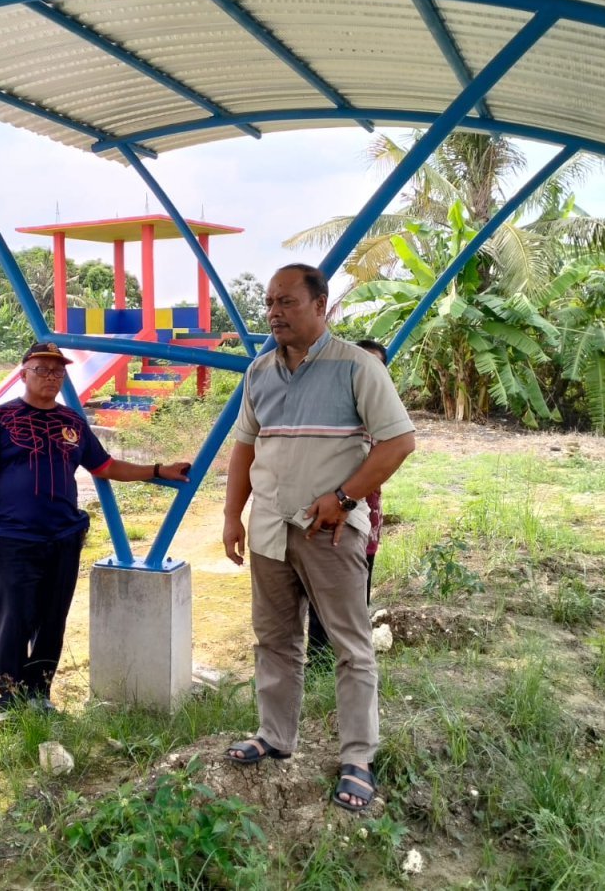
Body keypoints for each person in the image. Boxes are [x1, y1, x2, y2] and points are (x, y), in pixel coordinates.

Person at [222, 265, 415, 812]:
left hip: (330, 534)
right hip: (269, 531)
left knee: (351, 648)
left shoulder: (356, 367)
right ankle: (275, 736)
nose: (275, 312)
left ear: (320, 304)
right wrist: (232, 517)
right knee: (275, 640)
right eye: (269, 303)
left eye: (286, 301)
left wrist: (346, 498)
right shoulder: (259, 373)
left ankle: (357, 758)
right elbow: (244, 449)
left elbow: (399, 442)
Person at [0, 341, 192, 715]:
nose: (50, 376)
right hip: (14, 540)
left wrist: (156, 470)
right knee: (12, 621)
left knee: (52, 620)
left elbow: (104, 466)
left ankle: (39, 694)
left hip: (63, 538)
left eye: (57, 370)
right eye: (41, 369)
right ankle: (11, 701)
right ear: (22, 374)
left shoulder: (72, 422)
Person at [307, 338, 389, 669]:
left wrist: (346, 498)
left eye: (375, 367)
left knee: (354, 603)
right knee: (319, 605)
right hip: (325, 522)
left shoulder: (382, 416)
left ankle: (347, 668)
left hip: (361, 527)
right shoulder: (328, 413)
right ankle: (319, 668)